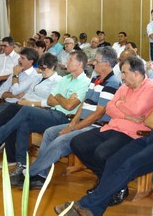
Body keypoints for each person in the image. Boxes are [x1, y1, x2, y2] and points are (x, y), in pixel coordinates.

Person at [54, 61, 153, 216]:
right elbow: (150, 121)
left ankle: (84, 205)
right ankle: (92, 210)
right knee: (114, 161)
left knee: (129, 165)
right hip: (152, 137)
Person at [10, 47, 120, 189]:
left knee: (61, 140)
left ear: (106, 64)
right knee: (50, 132)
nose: (93, 63)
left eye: (97, 61)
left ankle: (29, 173)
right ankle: (41, 175)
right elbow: (84, 105)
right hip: (81, 123)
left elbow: (98, 114)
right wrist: (72, 124)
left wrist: (73, 128)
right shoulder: (96, 78)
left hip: (95, 126)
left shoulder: (112, 83)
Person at [0, 51, 90, 175]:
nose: (67, 62)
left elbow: (69, 106)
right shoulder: (65, 79)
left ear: (79, 63)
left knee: (23, 109)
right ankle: (21, 165)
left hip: (64, 118)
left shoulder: (85, 82)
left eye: (70, 60)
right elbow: (50, 100)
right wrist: (63, 98)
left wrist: (58, 96)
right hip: (52, 112)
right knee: (22, 123)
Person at [70, 56, 153, 195]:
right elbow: (109, 107)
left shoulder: (152, 88)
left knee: (101, 153)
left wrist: (119, 104)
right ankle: (110, 181)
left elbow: (136, 110)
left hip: (133, 133)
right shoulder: (124, 86)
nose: (122, 76)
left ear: (136, 74)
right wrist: (125, 114)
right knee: (77, 143)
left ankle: (110, 184)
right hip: (112, 127)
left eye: (124, 72)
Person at [0, 53, 62, 168]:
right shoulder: (39, 78)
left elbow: (51, 101)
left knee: (14, 109)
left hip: (43, 109)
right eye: (40, 67)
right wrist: (24, 100)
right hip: (27, 105)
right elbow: (29, 93)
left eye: (44, 68)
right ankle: (9, 155)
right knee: (15, 118)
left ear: (53, 67)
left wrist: (28, 102)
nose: (41, 70)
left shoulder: (58, 81)